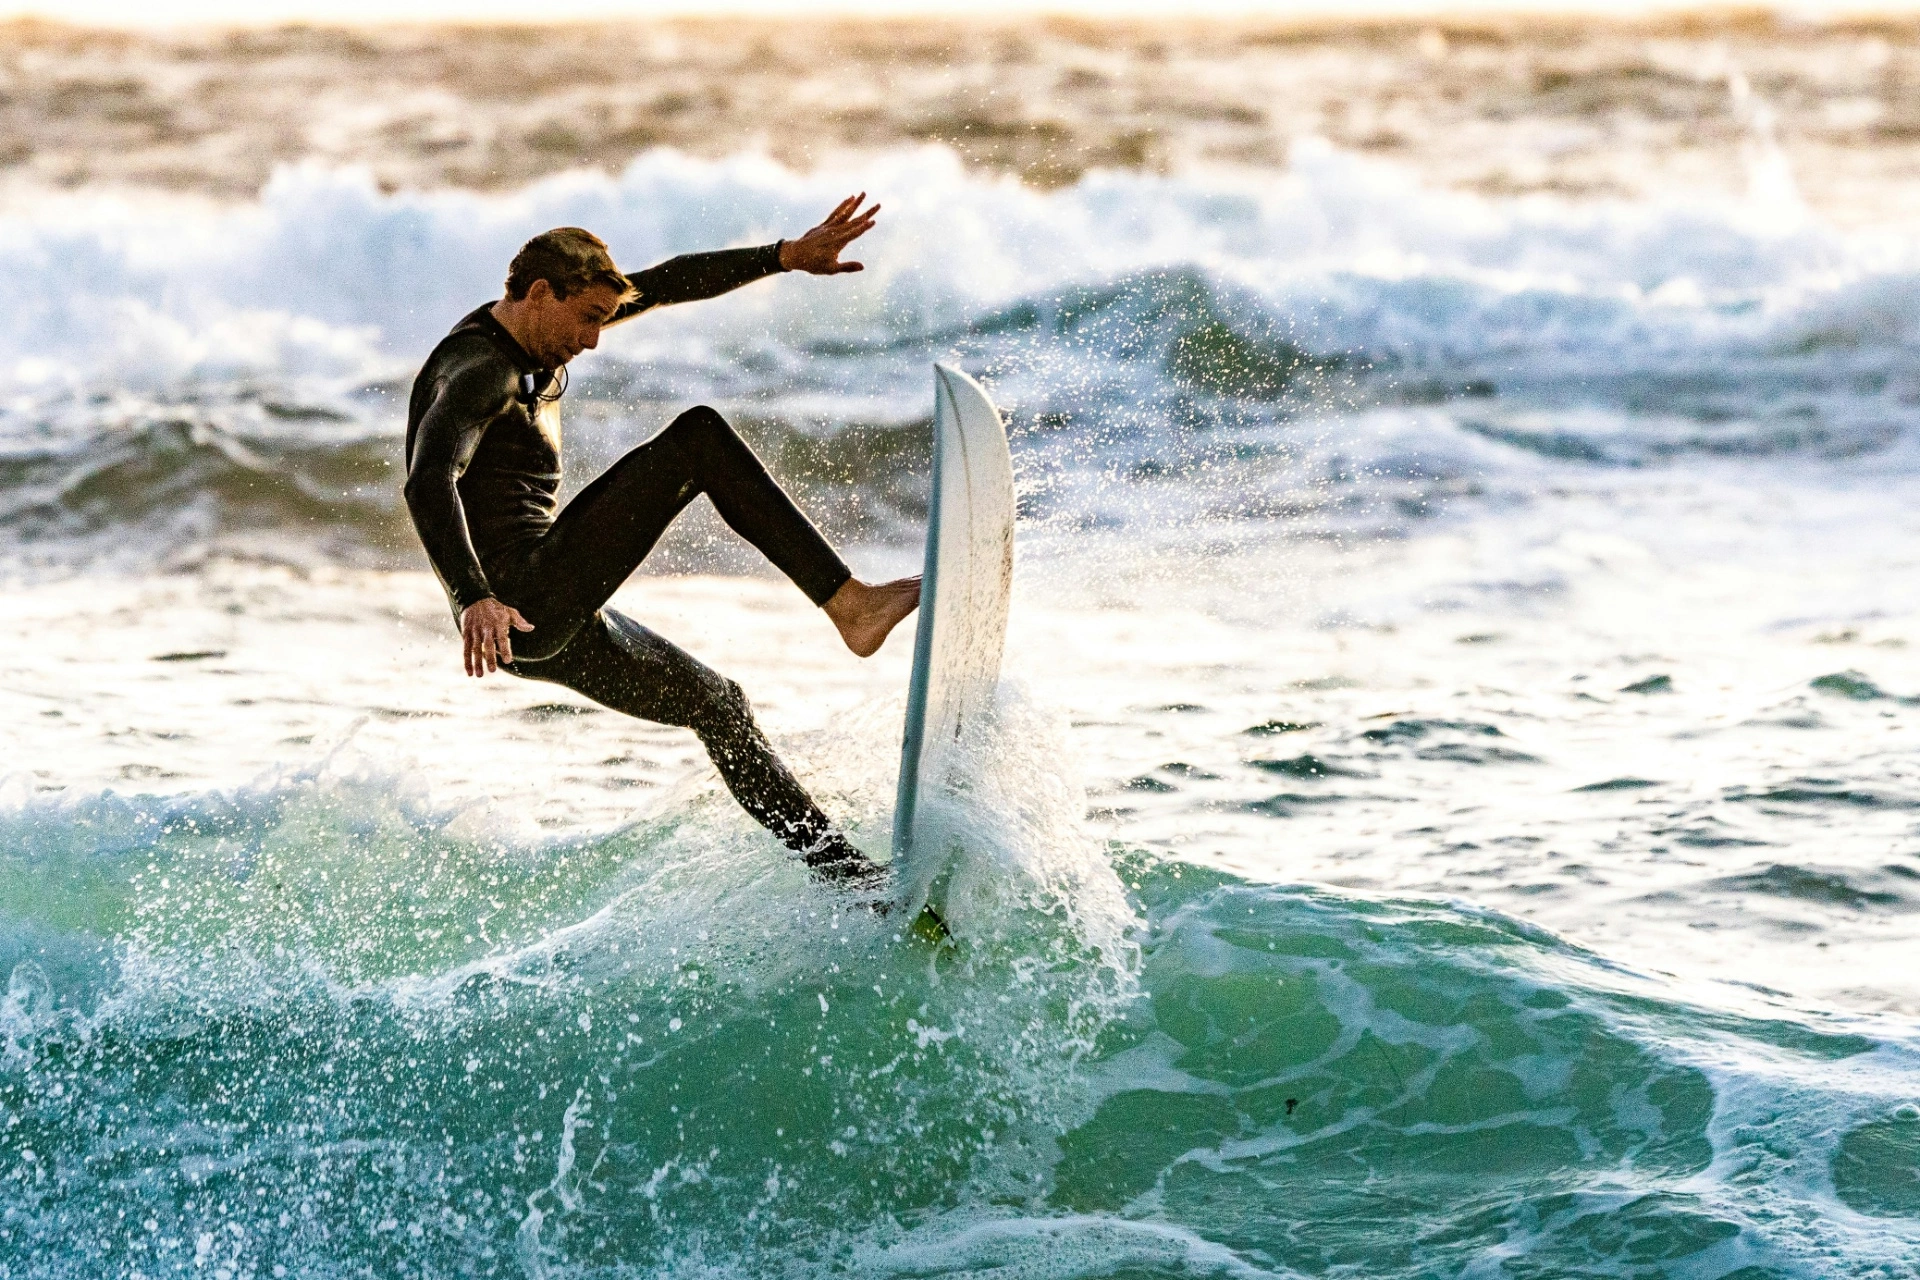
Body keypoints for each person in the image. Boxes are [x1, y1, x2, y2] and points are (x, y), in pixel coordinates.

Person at [404, 195, 919, 891]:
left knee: (720, 706)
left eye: (604, 320)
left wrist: (786, 256)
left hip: (548, 612)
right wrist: (475, 599)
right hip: (518, 598)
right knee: (698, 440)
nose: (593, 341)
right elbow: (428, 477)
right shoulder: (481, 371)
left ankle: (858, 885)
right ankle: (849, 604)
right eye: (586, 320)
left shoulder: (541, 334)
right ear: (538, 293)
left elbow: (673, 279)